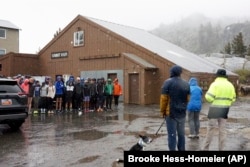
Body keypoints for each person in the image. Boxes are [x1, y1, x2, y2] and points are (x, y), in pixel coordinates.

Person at [202, 69, 236, 150]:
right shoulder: (230, 85)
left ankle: (205, 148)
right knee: (222, 130)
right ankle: (221, 148)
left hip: (214, 109)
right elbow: (233, 98)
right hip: (225, 109)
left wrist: (212, 100)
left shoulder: (215, 84)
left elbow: (209, 97)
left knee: (211, 129)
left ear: (217, 75)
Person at [160, 65, 190, 151]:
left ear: (171, 72)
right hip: (182, 113)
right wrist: (183, 107)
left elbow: (164, 99)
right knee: (181, 134)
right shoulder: (186, 83)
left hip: (171, 113)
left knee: (172, 134)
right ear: (180, 73)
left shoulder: (167, 82)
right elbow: (188, 99)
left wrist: (162, 111)